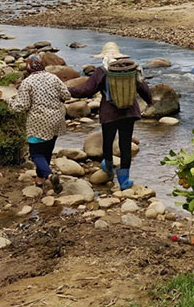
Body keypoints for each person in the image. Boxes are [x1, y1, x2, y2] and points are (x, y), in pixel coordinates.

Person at [68, 42, 152, 190]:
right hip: (129, 112)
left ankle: (107, 167)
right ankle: (124, 181)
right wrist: (149, 101)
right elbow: (142, 88)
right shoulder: (130, 70)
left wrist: (67, 90)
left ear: (104, 56)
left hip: (109, 113)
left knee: (107, 141)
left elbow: (87, 90)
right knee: (125, 144)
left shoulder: (102, 71)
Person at [9, 55, 69, 194]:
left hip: (38, 122)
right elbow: (67, 95)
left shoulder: (27, 82)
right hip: (57, 120)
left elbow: (21, 106)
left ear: (29, 67)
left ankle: (49, 176)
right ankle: (40, 181)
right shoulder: (53, 78)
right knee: (47, 151)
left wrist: (9, 102)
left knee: (35, 154)